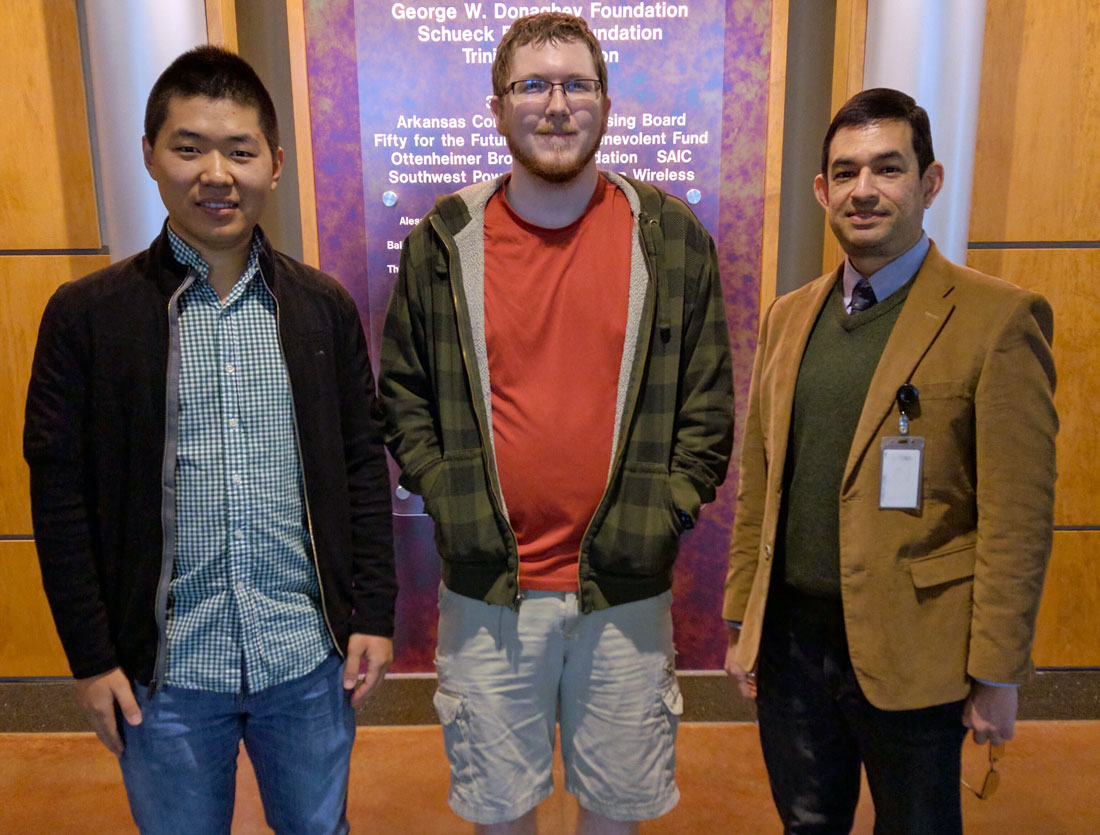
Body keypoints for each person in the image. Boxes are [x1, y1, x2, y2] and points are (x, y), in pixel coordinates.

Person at [24, 45, 396, 834]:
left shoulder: (320, 308)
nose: (215, 173)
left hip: (304, 657)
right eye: (189, 147)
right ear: (152, 155)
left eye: (239, 149)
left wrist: (375, 613)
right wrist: (91, 658)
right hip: (162, 674)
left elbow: (363, 463)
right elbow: (59, 499)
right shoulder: (87, 316)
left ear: (275, 162)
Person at [379, 12, 733, 834]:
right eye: (532, 84)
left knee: (615, 813)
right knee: (501, 815)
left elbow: (707, 408)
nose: (556, 103)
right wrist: (451, 502)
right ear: (496, 107)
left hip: (624, 596)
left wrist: (662, 515)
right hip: (490, 595)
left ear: (607, 102)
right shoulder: (444, 240)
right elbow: (403, 396)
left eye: (577, 83)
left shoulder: (669, 237)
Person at [723, 87, 1057, 833]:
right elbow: (762, 482)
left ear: (930, 181)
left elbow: (1018, 516)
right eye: (845, 173)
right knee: (808, 822)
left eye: (887, 168)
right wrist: (743, 618)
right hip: (792, 649)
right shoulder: (789, 315)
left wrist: (998, 670)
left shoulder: (997, 318)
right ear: (822, 190)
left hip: (919, 648)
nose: (863, 190)